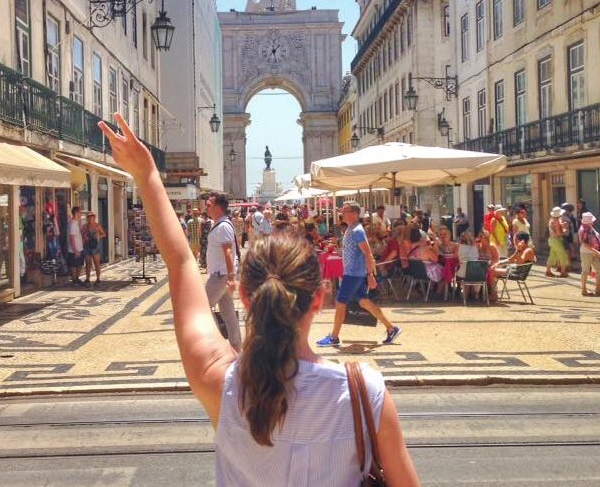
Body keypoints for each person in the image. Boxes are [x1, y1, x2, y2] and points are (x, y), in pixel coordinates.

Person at [99, 115, 421, 486]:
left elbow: (181, 262)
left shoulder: (222, 383)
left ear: (246, 299)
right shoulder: (365, 393)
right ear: (319, 299)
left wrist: (147, 176)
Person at [317, 202, 401, 347]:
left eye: (345, 211)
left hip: (353, 274)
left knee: (340, 302)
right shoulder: (351, 229)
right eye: (342, 210)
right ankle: (391, 328)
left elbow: (367, 253)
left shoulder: (357, 231)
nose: (342, 213)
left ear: (355, 213)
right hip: (353, 273)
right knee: (363, 302)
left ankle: (334, 337)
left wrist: (370, 274)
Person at [204, 192, 242, 351]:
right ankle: (236, 345)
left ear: (217, 207)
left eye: (208, 205)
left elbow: (228, 252)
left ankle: (218, 343)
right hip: (222, 274)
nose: (206, 208)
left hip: (221, 275)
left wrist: (232, 277)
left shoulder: (223, 226)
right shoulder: (220, 224)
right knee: (228, 312)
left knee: (203, 308)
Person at [579, 212, 600, 297]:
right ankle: (583, 289)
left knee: (599, 270)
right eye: (592, 220)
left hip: (594, 253)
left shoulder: (590, 228)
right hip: (587, 253)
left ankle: (598, 288)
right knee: (585, 271)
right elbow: (585, 244)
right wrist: (597, 252)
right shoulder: (584, 230)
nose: (593, 222)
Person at [82, 211, 106, 286]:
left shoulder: (97, 226)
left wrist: (98, 235)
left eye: (92, 217)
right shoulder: (85, 226)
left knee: (97, 263)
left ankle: (98, 279)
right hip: (87, 246)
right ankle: (87, 279)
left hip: (95, 247)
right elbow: (82, 235)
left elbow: (104, 234)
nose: (90, 219)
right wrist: (84, 237)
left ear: (94, 218)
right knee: (88, 263)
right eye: (89, 217)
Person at [547, 207, 569, 278]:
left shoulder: (552, 220)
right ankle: (563, 272)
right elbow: (558, 233)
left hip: (552, 240)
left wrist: (562, 226)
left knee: (552, 255)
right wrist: (565, 229)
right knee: (562, 255)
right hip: (556, 240)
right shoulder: (556, 221)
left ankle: (548, 271)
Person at [67, 206, 85, 285]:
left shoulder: (75, 222)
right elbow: (71, 238)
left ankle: (76, 278)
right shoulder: (73, 224)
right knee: (74, 265)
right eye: (80, 212)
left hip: (78, 248)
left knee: (79, 264)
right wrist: (75, 250)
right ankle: (74, 279)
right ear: (76, 213)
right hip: (74, 249)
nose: (81, 214)